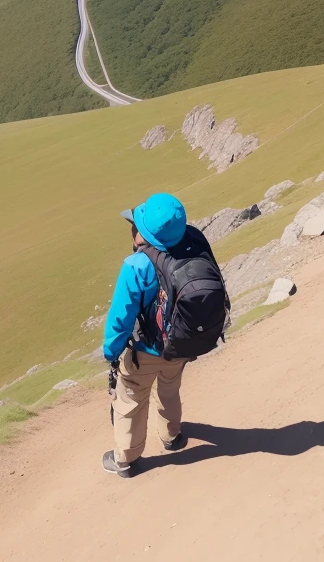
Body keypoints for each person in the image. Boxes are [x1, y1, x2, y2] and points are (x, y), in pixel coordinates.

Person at [101, 192, 191, 477]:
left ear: (142, 233)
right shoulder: (190, 249)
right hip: (181, 344)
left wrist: (111, 353)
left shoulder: (137, 266)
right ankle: (171, 437)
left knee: (130, 400)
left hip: (146, 351)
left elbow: (121, 317)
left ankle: (125, 459)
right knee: (169, 389)